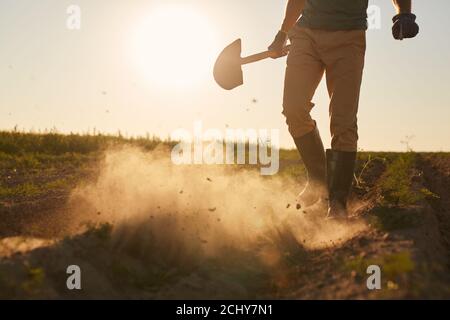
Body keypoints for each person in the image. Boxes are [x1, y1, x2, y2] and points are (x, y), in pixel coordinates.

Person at [268, 0, 419, 219]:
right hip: (306, 34)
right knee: (293, 108)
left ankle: (337, 203)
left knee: (343, 121)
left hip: (349, 38)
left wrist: (404, 13)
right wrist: (282, 33)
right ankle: (318, 181)